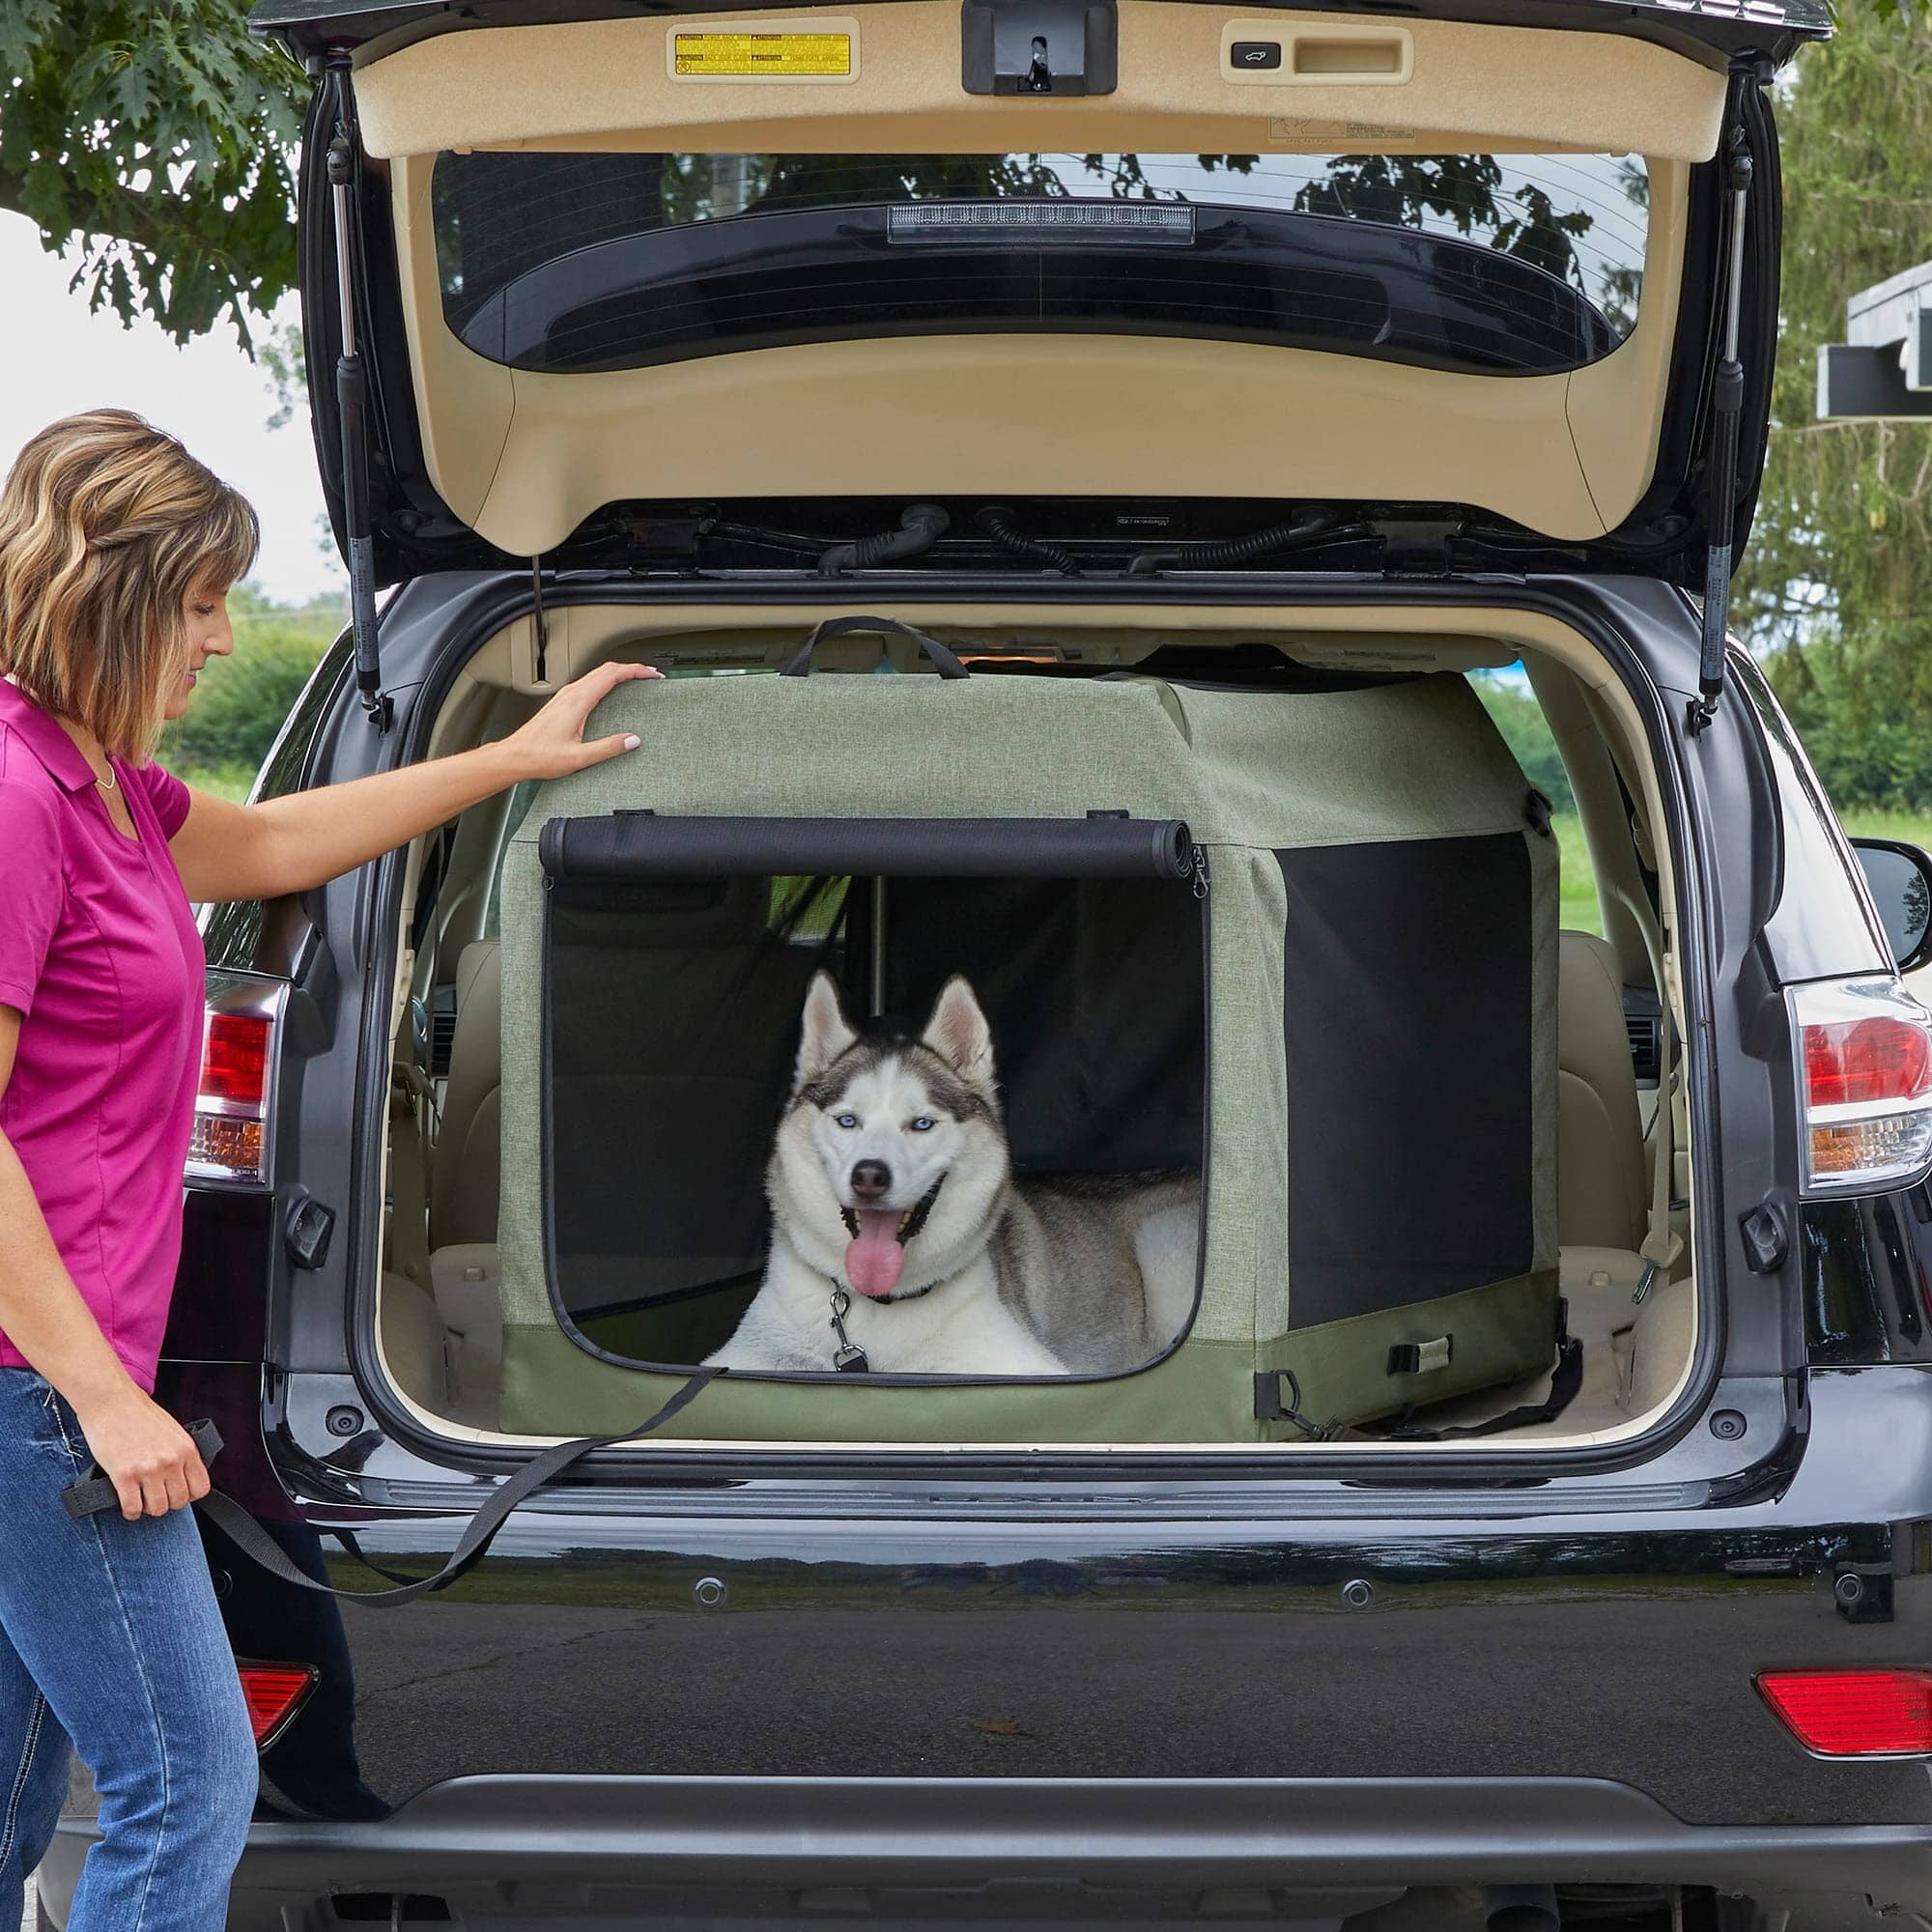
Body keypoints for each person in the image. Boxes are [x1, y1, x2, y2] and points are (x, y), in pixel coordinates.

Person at [0, 409, 657, 1932]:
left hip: (54, 1384)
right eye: (198, 603)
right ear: (107, 597)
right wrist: (103, 1401)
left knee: (19, 1799)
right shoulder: (19, 800)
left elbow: (284, 842)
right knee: (185, 1785)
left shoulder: (108, 789)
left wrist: (509, 758)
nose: (221, 639)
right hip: (40, 1393)